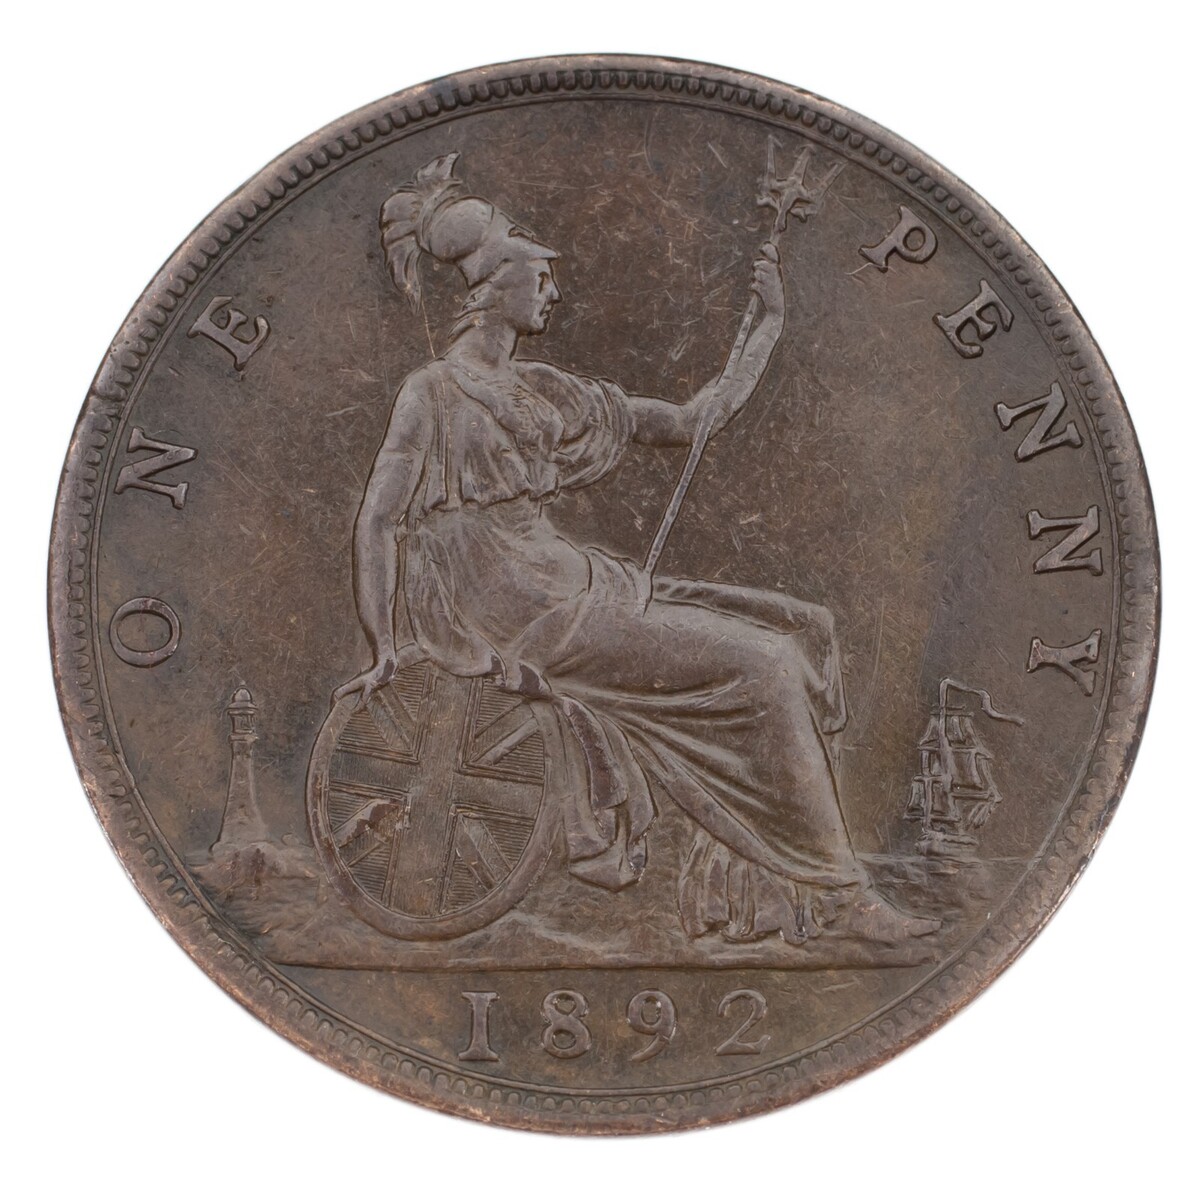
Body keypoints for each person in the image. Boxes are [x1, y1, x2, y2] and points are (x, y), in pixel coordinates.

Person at [335, 153, 936, 946]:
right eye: (539, 275)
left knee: (799, 626)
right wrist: (383, 647)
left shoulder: (544, 390)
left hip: (574, 587)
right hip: (518, 613)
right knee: (765, 664)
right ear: (490, 288)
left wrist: (765, 329)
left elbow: (688, 423)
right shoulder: (432, 393)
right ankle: (837, 897)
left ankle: (775, 887)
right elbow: (377, 519)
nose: (554, 290)